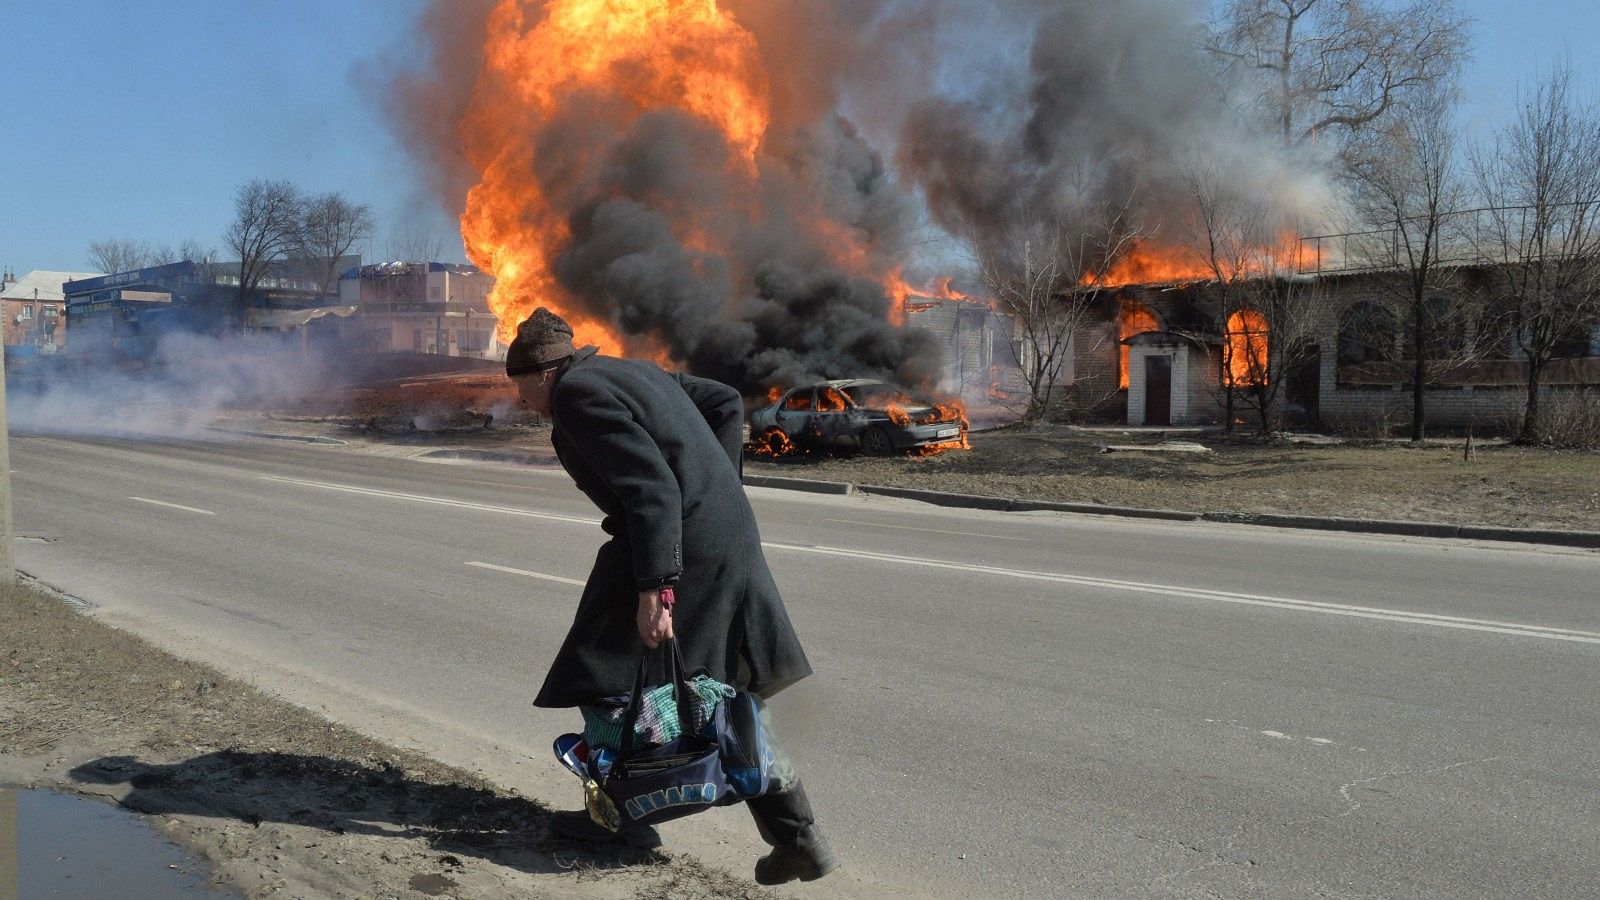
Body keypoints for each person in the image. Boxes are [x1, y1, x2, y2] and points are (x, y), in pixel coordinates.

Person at [505, 307, 838, 885]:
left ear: (540, 373)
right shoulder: (633, 373)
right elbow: (725, 401)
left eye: (519, 388)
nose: (520, 402)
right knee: (724, 690)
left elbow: (652, 489)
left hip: (675, 549)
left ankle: (620, 818)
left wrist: (655, 588)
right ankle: (799, 838)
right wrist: (718, 486)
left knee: (603, 669)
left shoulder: (575, 395)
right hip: (721, 536)